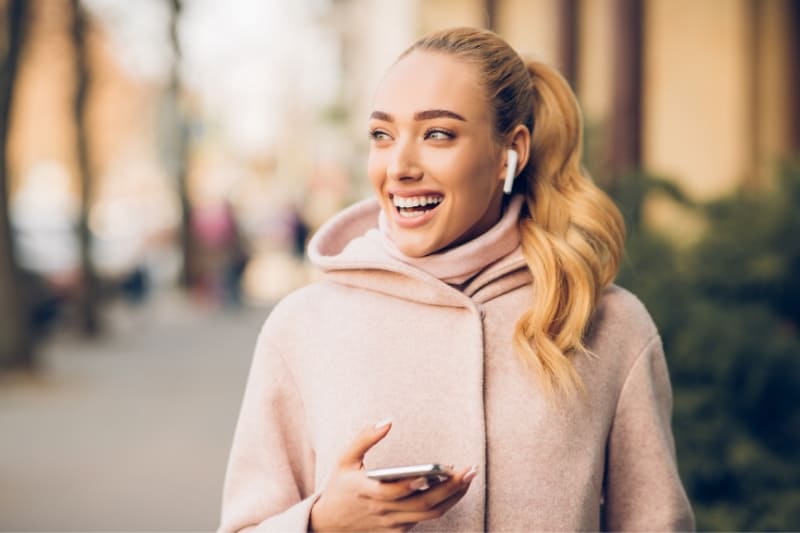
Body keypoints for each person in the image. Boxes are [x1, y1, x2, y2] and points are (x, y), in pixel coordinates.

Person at [219, 27, 695, 532]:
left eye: (437, 134)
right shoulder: (303, 326)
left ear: (510, 151)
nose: (399, 166)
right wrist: (321, 523)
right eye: (382, 135)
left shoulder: (606, 323)